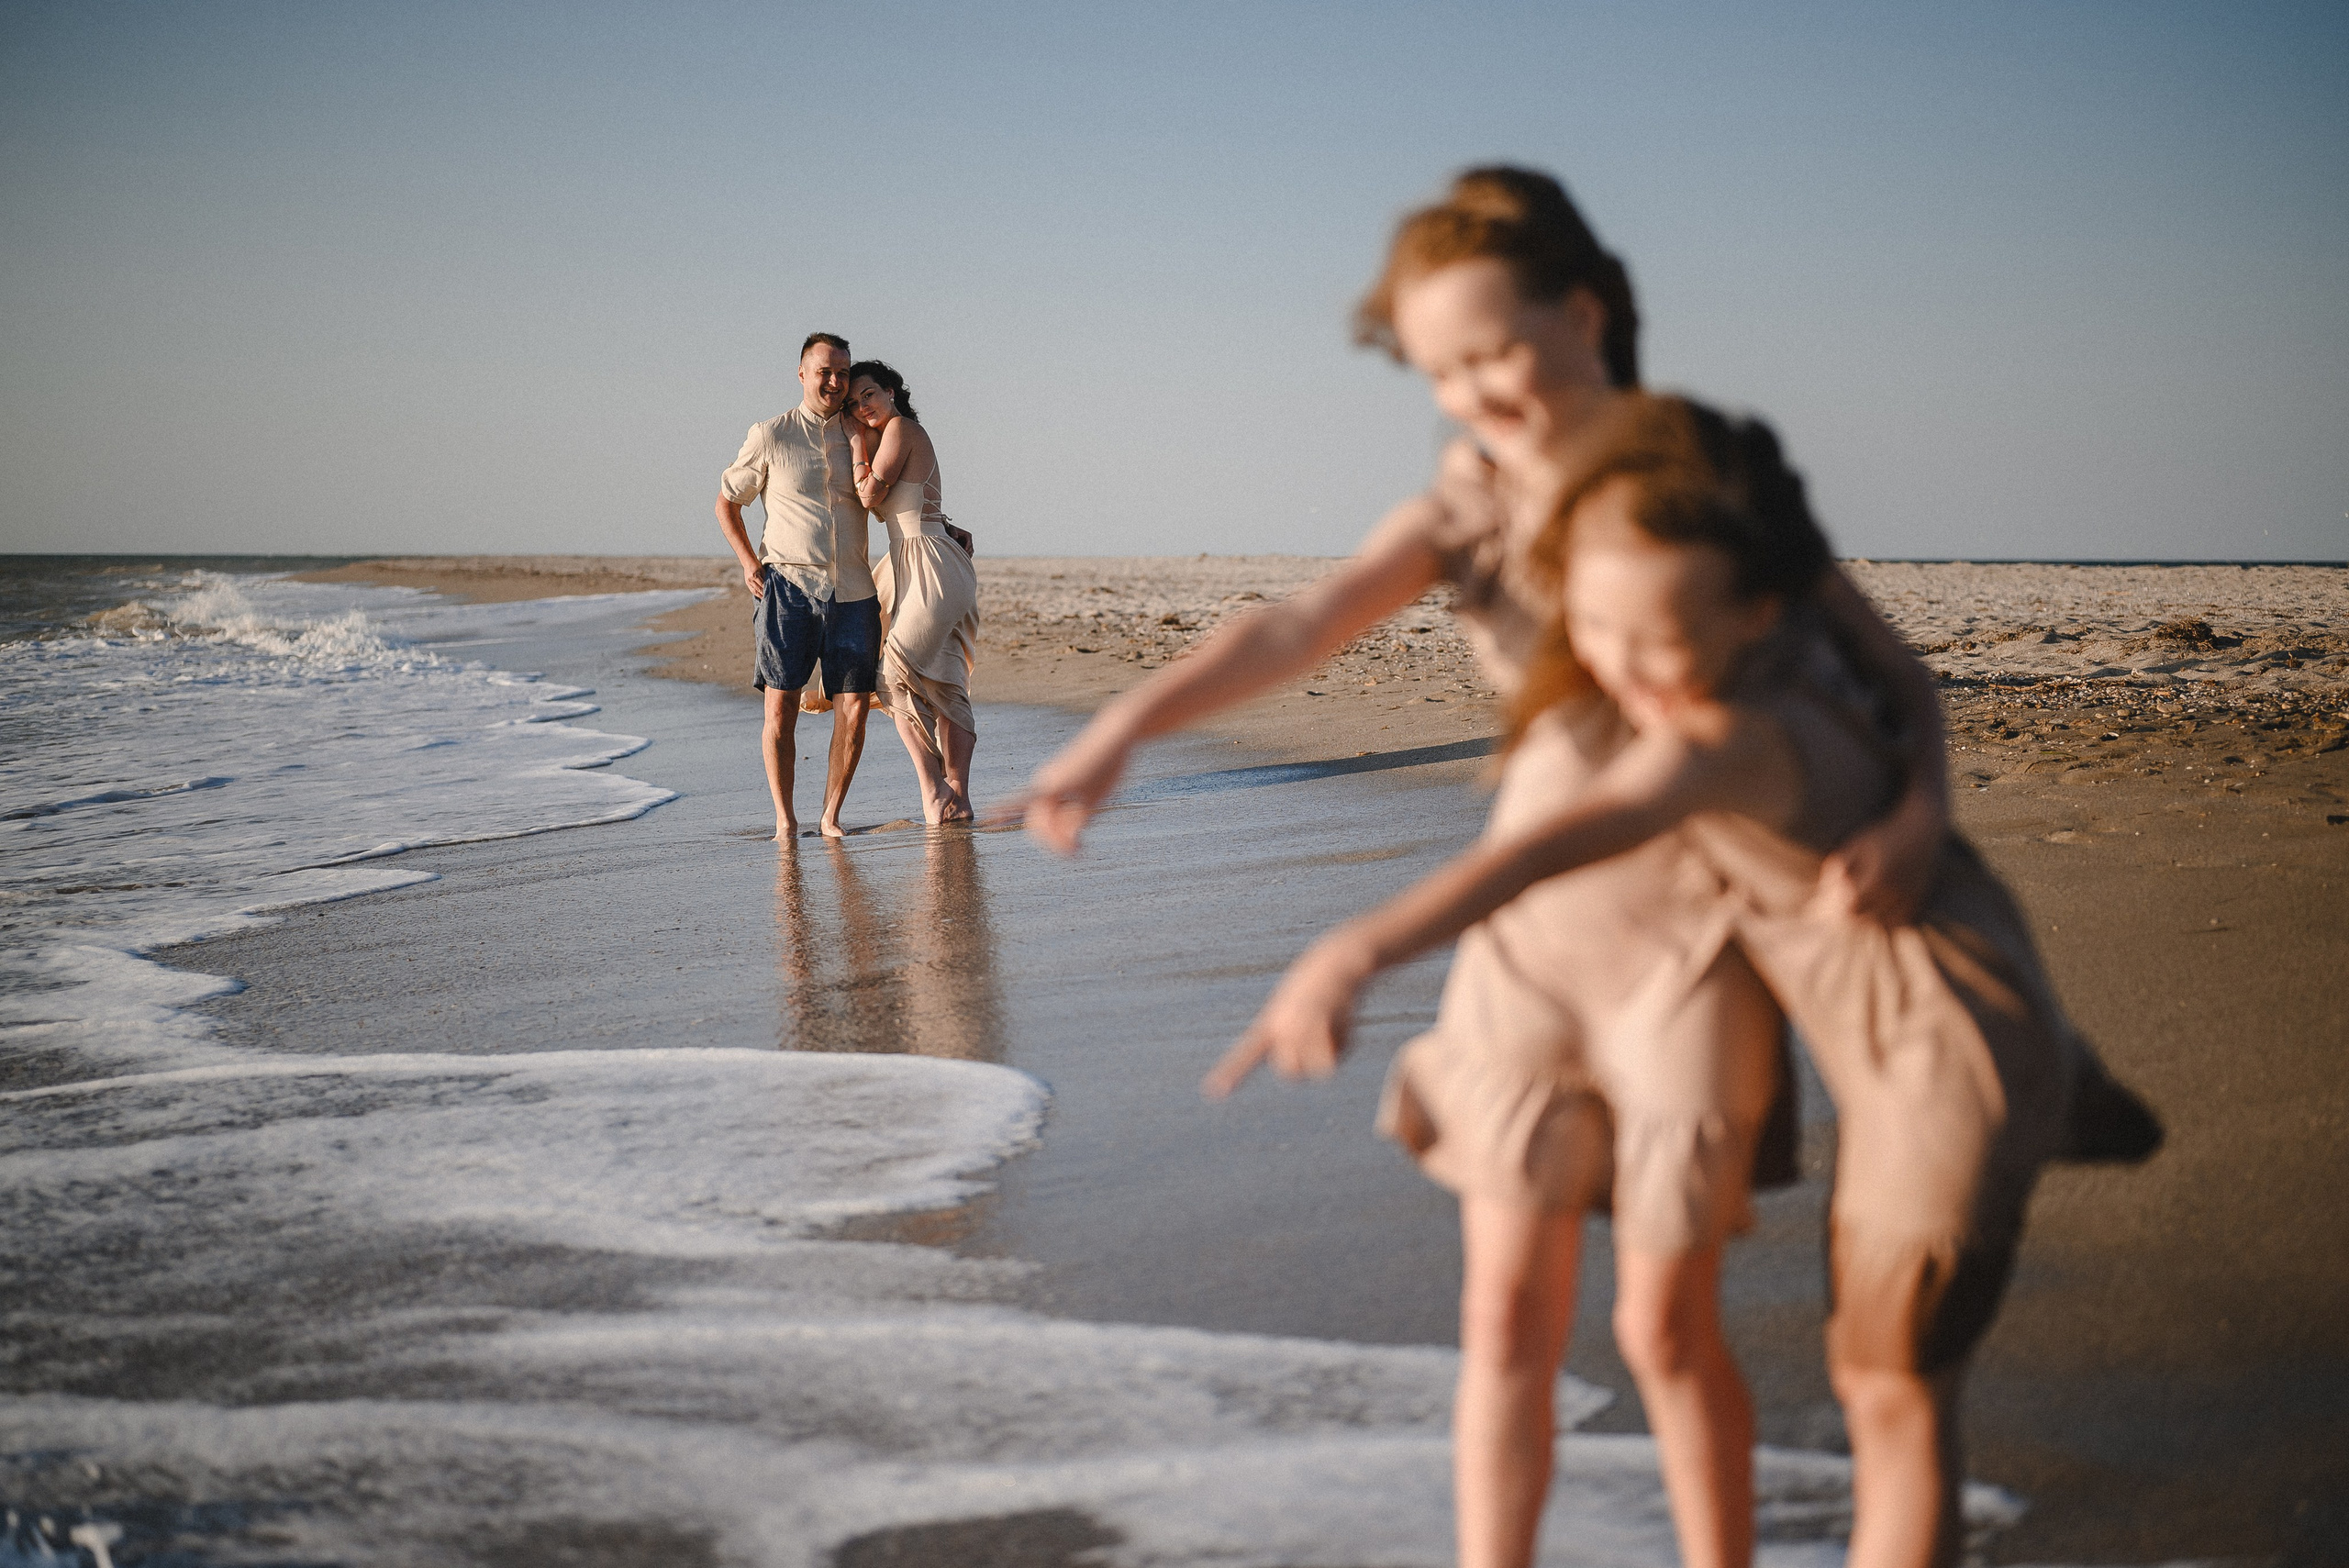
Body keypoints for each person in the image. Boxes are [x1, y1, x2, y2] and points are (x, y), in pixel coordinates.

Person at [1017, 168, 1955, 1568]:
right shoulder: (1464, 506)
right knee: (1504, 1321)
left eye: (1495, 350)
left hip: (1688, 947)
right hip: (1525, 945)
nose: (1473, 393)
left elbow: (1897, 674)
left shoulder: (1701, 480)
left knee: (1662, 1326)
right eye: (1440, 370)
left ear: (1583, 311)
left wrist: (1919, 820)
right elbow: (1297, 625)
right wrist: (1122, 729)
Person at [1213, 392, 2156, 1568]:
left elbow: (1544, 845)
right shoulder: (1795, 653)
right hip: (1975, 997)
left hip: (1935, 1062)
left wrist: (1355, 947)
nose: (1623, 670)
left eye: (1658, 641)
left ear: (1758, 606)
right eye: (1596, 630)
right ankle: (2068, 1095)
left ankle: (2032, 1116)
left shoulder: (1718, 736)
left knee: (1891, 1392)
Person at [717, 332, 881, 840]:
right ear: (803, 373)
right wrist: (748, 561)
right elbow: (727, 501)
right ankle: (785, 820)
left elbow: (903, 491)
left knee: (853, 706)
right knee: (781, 703)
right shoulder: (771, 435)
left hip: (854, 590)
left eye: (843, 372)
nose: (835, 381)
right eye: (825, 371)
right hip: (788, 586)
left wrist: (947, 526)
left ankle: (830, 816)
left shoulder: (864, 434)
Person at [844, 360, 981, 824]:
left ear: (891, 392)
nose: (862, 407)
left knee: (892, 675)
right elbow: (921, 503)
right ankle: (958, 799)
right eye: (853, 403)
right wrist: (950, 525)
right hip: (921, 563)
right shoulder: (891, 437)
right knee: (945, 682)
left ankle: (934, 789)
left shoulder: (900, 428)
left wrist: (854, 441)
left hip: (933, 568)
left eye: (868, 395)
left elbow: (868, 495)